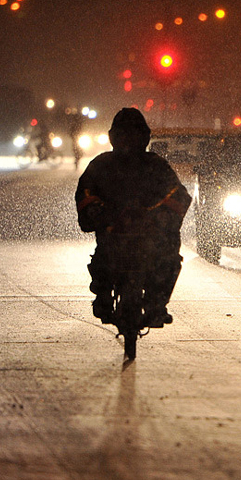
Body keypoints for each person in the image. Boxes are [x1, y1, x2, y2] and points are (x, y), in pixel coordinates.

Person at [75, 107, 191, 328]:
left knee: (170, 260)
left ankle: (157, 305)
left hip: (150, 235)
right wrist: (99, 213)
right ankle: (103, 297)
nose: (129, 140)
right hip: (113, 233)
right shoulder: (101, 165)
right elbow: (85, 193)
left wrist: (161, 217)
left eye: (134, 134)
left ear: (144, 137)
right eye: (124, 135)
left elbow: (178, 195)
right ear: (114, 138)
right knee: (102, 260)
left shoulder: (156, 165)